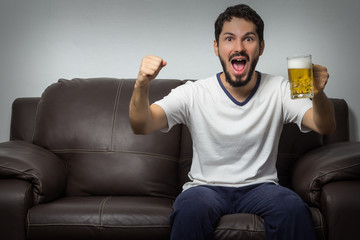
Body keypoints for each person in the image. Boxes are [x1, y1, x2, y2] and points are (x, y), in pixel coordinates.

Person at [129, 4, 336, 240]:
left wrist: (317, 93)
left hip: (262, 188)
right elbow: (141, 124)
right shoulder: (194, 92)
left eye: (248, 39)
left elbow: (325, 126)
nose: (239, 47)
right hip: (205, 189)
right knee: (189, 211)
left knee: (293, 209)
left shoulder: (280, 89)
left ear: (261, 46)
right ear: (217, 47)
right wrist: (141, 85)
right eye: (229, 39)